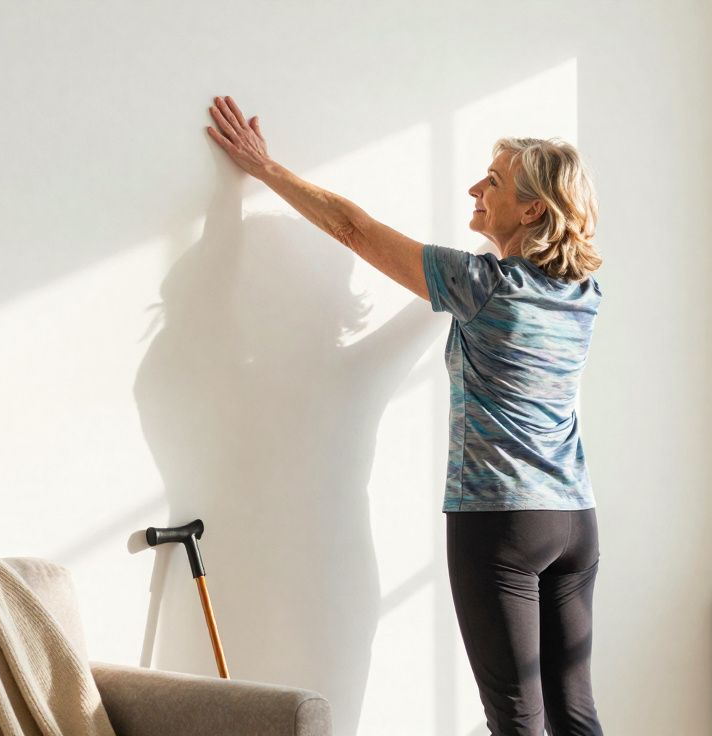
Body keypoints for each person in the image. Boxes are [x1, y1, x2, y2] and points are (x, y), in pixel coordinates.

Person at [206, 94, 605, 736]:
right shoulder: (583, 294)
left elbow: (353, 229)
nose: (475, 187)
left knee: (517, 717)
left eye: (494, 181)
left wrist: (267, 169)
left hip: (499, 522)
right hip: (573, 522)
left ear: (532, 209)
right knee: (574, 710)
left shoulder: (481, 285)